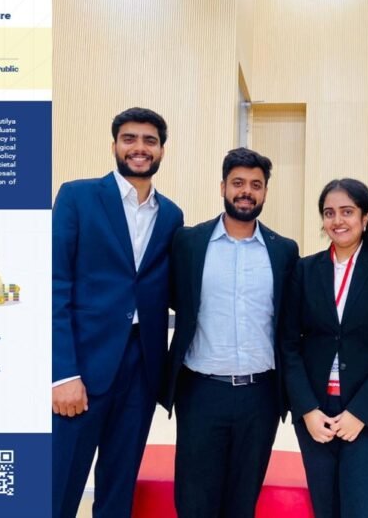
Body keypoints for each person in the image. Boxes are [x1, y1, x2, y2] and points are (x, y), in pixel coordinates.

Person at [51, 107, 184, 518]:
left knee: (118, 488)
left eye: (149, 141)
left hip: (141, 368)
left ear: (161, 150)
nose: (139, 148)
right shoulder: (77, 197)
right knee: (59, 486)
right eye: (129, 139)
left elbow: (169, 287)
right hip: (83, 367)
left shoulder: (172, 215)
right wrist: (62, 373)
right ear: (114, 146)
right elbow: (54, 285)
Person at [160, 147, 299, 518]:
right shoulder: (188, 243)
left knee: (243, 501)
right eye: (238, 183)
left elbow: (289, 322)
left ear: (265, 192)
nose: (246, 191)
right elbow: (172, 298)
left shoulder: (284, 251)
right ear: (223, 187)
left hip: (261, 396)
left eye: (256, 184)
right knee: (195, 502)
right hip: (201, 391)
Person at [279, 178, 368, 518]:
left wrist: (362, 412)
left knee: (364, 510)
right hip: (318, 414)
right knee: (327, 509)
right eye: (329, 213)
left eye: (347, 212)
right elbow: (288, 345)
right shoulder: (305, 270)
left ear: (366, 216)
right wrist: (307, 409)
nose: (337, 220)